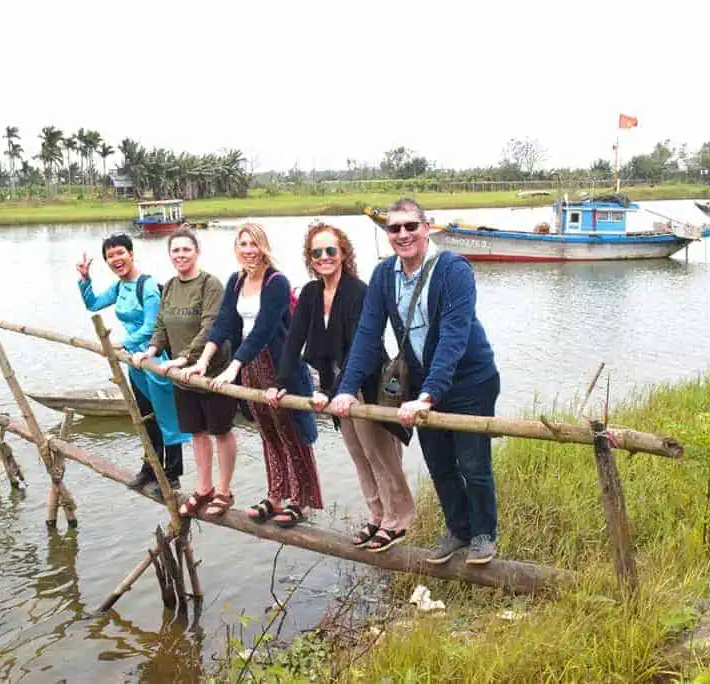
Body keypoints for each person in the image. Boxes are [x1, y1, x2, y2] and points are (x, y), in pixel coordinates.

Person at [331, 197, 501, 565]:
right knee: (439, 464)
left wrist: (428, 395)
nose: (403, 234)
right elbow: (366, 334)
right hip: (424, 384)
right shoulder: (383, 275)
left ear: (427, 228)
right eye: (395, 228)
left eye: (411, 226)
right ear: (388, 234)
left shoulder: (453, 269)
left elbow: (455, 336)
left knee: (472, 464)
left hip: (470, 380)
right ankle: (458, 530)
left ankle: (484, 533)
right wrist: (346, 388)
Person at [266, 222, 415, 552]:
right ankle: (377, 516)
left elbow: (363, 348)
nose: (323, 257)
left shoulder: (359, 292)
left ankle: (397, 520)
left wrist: (333, 392)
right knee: (358, 456)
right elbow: (294, 341)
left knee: (381, 455)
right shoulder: (309, 293)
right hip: (335, 392)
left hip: (367, 387)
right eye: (316, 252)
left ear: (343, 253)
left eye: (330, 250)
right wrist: (280, 382)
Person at [184, 223, 321, 526]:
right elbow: (222, 324)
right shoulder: (235, 281)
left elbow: (264, 329)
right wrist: (204, 361)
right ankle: (275, 494)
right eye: (243, 244)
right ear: (237, 248)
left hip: (279, 366)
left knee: (291, 432)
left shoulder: (277, 282)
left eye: (254, 244)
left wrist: (234, 367)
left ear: (264, 247)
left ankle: (301, 500)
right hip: (250, 365)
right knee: (268, 433)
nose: (249, 250)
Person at [133, 229, 239, 518]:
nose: (180, 255)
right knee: (197, 433)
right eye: (175, 250)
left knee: (221, 432)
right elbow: (161, 326)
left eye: (186, 250)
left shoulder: (210, 285)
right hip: (182, 375)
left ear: (197, 252)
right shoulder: (168, 286)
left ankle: (224, 491)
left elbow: (210, 327)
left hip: (211, 372)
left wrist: (183, 358)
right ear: (170, 255)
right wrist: (152, 351)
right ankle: (203, 489)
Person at [76, 233, 190, 492]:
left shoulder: (147, 286)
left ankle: (172, 476)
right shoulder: (119, 287)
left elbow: (152, 327)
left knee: (167, 420)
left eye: (120, 253)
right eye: (110, 256)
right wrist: (85, 279)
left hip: (155, 360)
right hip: (134, 364)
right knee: (146, 418)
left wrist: (122, 344)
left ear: (131, 253)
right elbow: (93, 304)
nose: (116, 259)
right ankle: (150, 468)